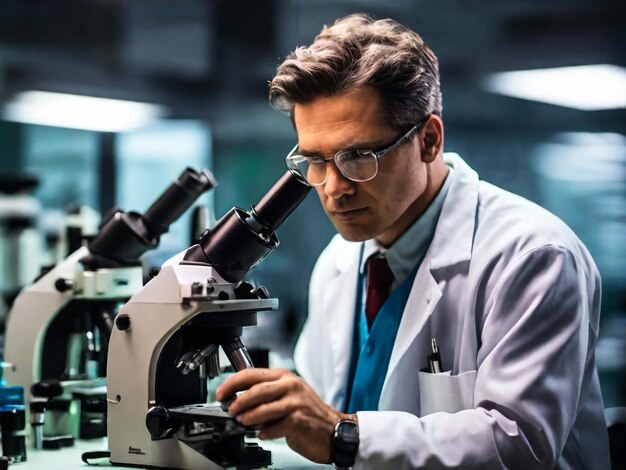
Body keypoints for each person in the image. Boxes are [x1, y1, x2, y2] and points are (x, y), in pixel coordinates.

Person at [216, 13, 610, 469]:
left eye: (358, 157)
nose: (333, 188)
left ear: (428, 140)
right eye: (315, 161)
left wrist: (343, 436)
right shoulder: (340, 261)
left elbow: (519, 445)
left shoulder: (533, 256)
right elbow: (321, 408)